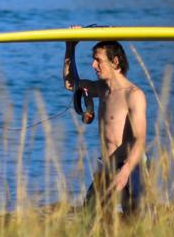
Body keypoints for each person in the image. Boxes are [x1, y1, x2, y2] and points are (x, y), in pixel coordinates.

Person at [63, 38, 147, 216]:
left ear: (115, 61)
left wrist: (125, 172)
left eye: (98, 60)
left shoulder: (134, 95)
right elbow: (71, 83)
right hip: (106, 167)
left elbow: (140, 140)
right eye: (93, 60)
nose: (93, 65)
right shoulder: (101, 89)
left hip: (130, 166)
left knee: (136, 222)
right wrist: (70, 47)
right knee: (89, 218)